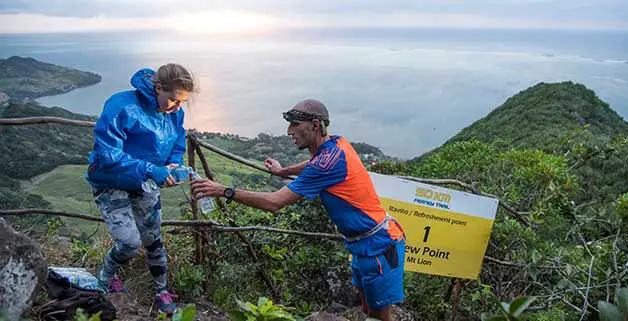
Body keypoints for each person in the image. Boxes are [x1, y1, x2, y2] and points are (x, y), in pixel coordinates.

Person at [190, 99, 406, 321]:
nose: (289, 131)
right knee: (366, 311)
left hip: (380, 246)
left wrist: (224, 190)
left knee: (380, 317)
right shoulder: (337, 144)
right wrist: (283, 171)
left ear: (314, 125)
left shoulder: (326, 163)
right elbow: (313, 162)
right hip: (362, 244)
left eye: (295, 125)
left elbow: (274, 202)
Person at [85, 63, 195, 315]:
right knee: (129, 243)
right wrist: (151, 169)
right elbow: (108, 154)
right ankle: (106, 276)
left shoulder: (173, 112)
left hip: (145, 182)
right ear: (158, 88)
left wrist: (172, 165)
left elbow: (178, 138)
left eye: (182, 102)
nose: (177, 107)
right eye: (173, 100)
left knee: (153, 239)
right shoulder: (121, 106)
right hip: (110, 181)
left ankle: (161, 290)